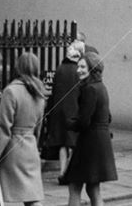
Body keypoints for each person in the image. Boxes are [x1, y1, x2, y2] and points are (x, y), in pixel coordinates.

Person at [0, 52, 47, 206]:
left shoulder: (11, 91)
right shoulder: (40, 93)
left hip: (12, 150)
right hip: (30, 148)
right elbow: (38, 127)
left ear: (18, 67)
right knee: (31, 197)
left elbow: (3, 127)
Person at [60, 50, 117, 206]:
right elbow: (108, 116)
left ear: (93, 68)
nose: (78, 70)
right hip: (101, 142)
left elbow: (84, 122)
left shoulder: (90, 89)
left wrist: (68, 123)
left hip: (89, 143)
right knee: (93, 189)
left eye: (83, 67)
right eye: (78, 66)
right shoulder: (101, 87)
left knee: (74, 186)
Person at [45, 40, 84, 173]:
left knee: (62, 143)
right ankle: (72, 172)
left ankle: (62, 172)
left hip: (59, 111)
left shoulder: (60, 69)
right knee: (73, 143)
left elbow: (54, 91)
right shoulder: (79, 71)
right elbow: (82, 92)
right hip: (74, 110)